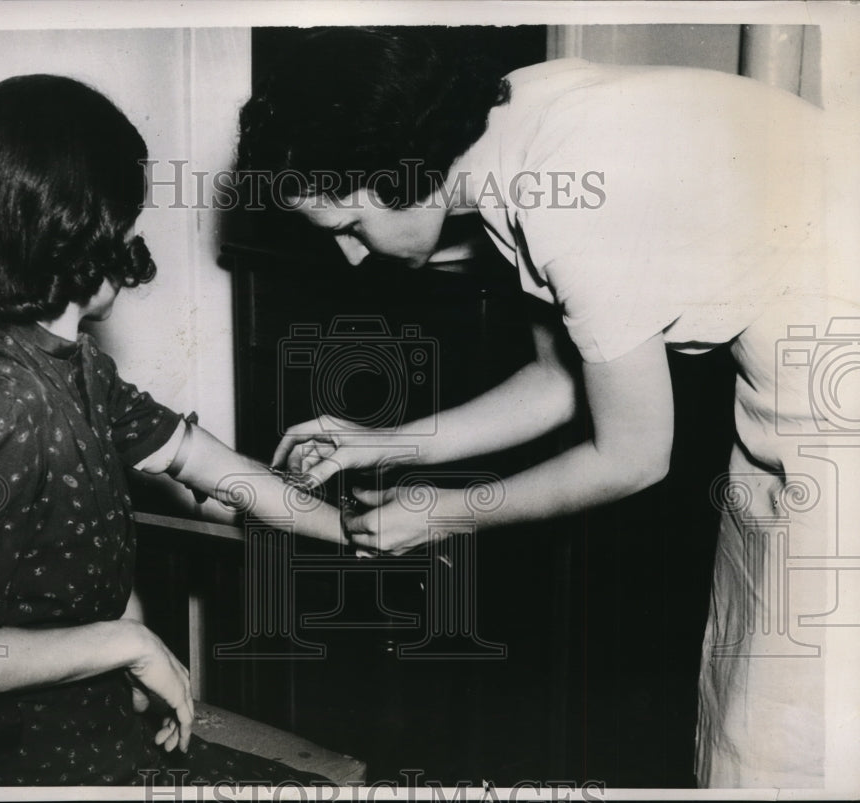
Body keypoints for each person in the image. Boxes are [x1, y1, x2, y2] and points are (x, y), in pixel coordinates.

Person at [236, 28, 860, 789]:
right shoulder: (516, 120)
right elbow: (564, 378)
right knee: (749, 720)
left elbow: (633, 457)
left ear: (394, 176)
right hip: (792, 404)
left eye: (350, 228)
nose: (353, 256)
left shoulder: (573, 194)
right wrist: (388, 441)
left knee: (784, 750)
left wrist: (443, 512)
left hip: (832, 420)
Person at [0, 73, 344, 786]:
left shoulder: (75, 364)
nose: (135, 236)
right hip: (29, 766)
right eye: (126, 219)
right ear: (81, 230)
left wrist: (350, 530)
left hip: (105, 729)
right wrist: (125, 641)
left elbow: (193, 455)